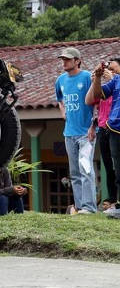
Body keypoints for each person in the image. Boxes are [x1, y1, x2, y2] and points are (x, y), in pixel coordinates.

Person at [55, 47, 97, 214]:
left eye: (68, 59)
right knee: (74, 173)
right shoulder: (60, 80)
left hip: (86, 134)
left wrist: (93, 126)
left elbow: (97, 102)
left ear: (77, 61)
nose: (64, 62)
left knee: (86, 169)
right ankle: (80, 207)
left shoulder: (87, 77)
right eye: (63, 59)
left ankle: (90, 207)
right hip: (69, 134)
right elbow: (59, 98)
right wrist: (63, 111)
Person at [85, 58, 120, 210]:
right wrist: (97, 79)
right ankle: (115, 201)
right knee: (114, 166)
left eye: (113, 68)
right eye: (108, 68)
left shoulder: (115, 79)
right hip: (111, 127)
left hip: (111, 127)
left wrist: (112, 77)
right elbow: (94, 97)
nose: (110, 71)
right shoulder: (114, 81)